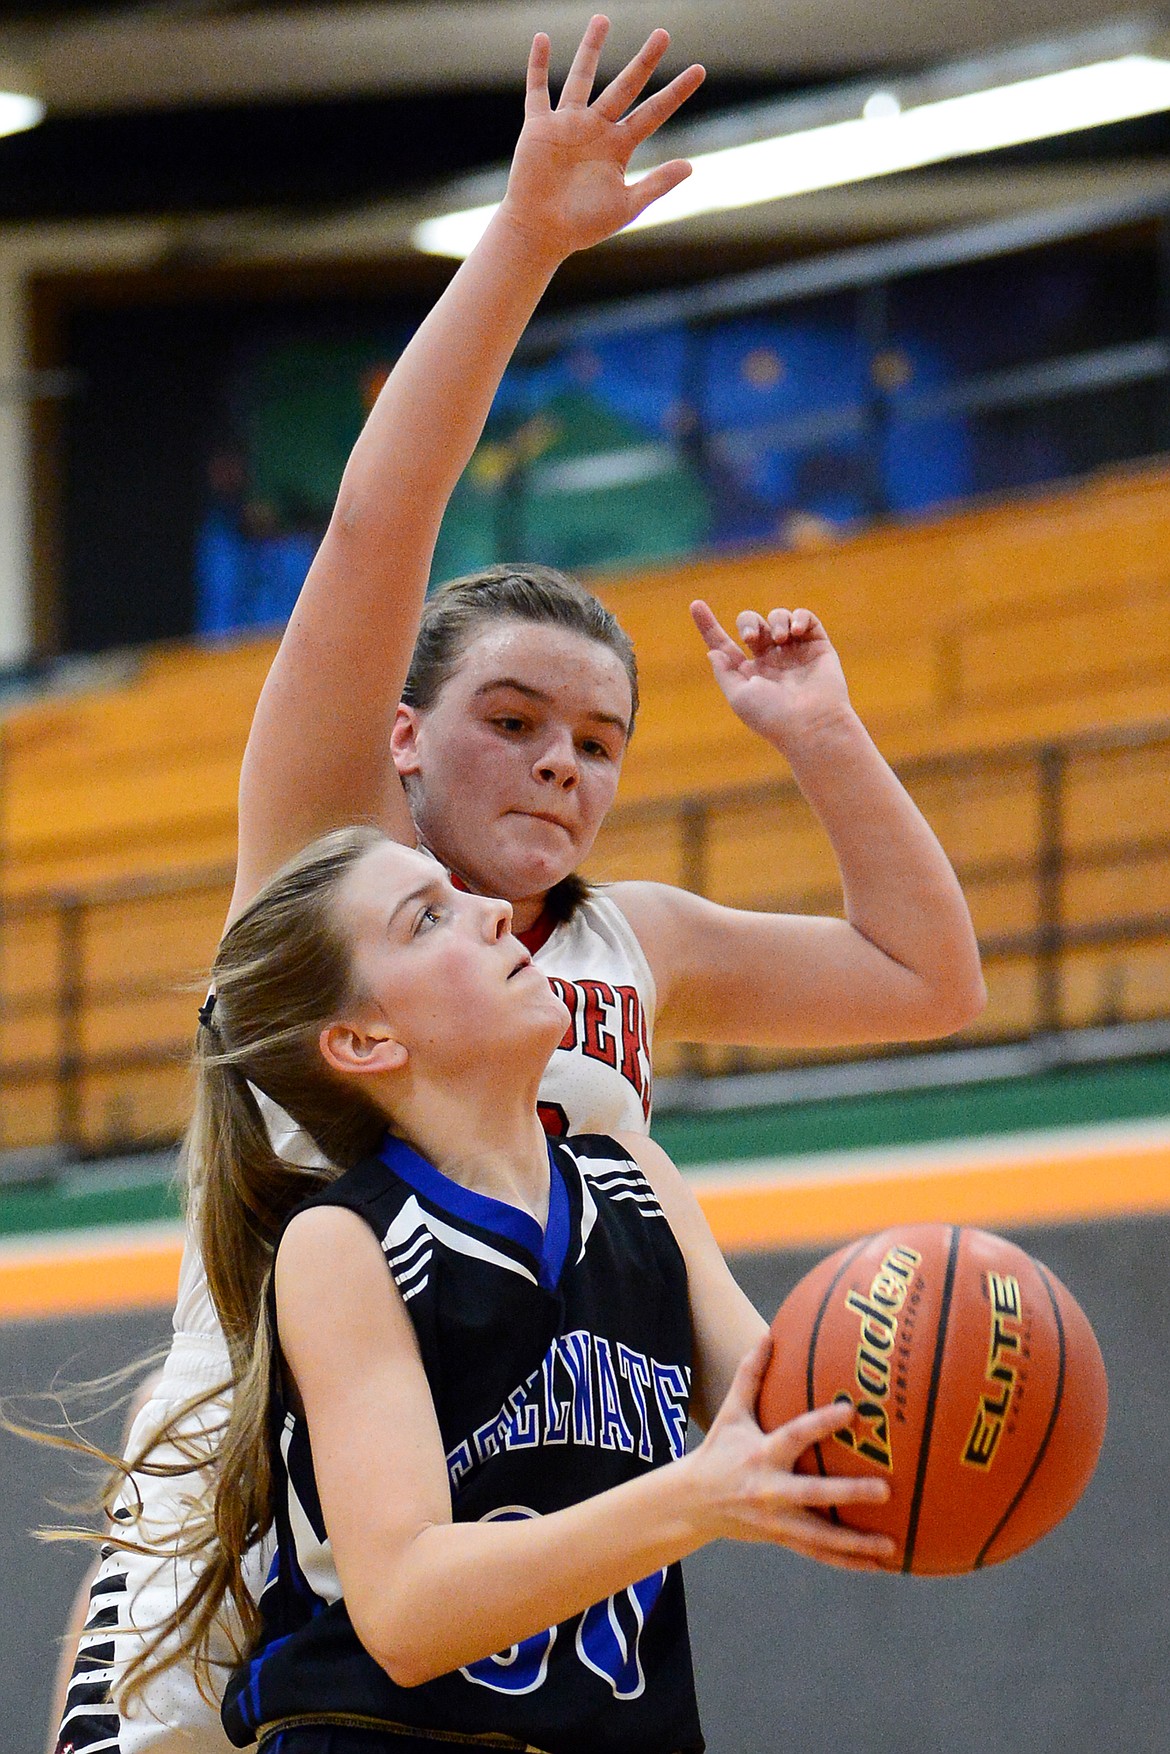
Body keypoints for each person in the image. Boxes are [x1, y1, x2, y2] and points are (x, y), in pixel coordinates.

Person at [53, 15, 984, 1751]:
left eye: (602, 738)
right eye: (514, 716)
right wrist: (527, 240)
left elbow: (930, 981)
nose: (563, 760)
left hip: (544, 1500)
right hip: (271, 1495)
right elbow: (376, 526)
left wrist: (823, 736)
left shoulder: (636, 945)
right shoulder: (339, 867)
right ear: (404, 738)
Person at [138, 825, 898, 1754]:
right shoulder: (345, 1245)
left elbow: (798, 1432)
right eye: (429, 919)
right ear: (364, 1039)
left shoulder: (636, 1184)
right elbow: (410, 1608)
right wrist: (697, 1497)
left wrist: (933, 1362)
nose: (496, 912)